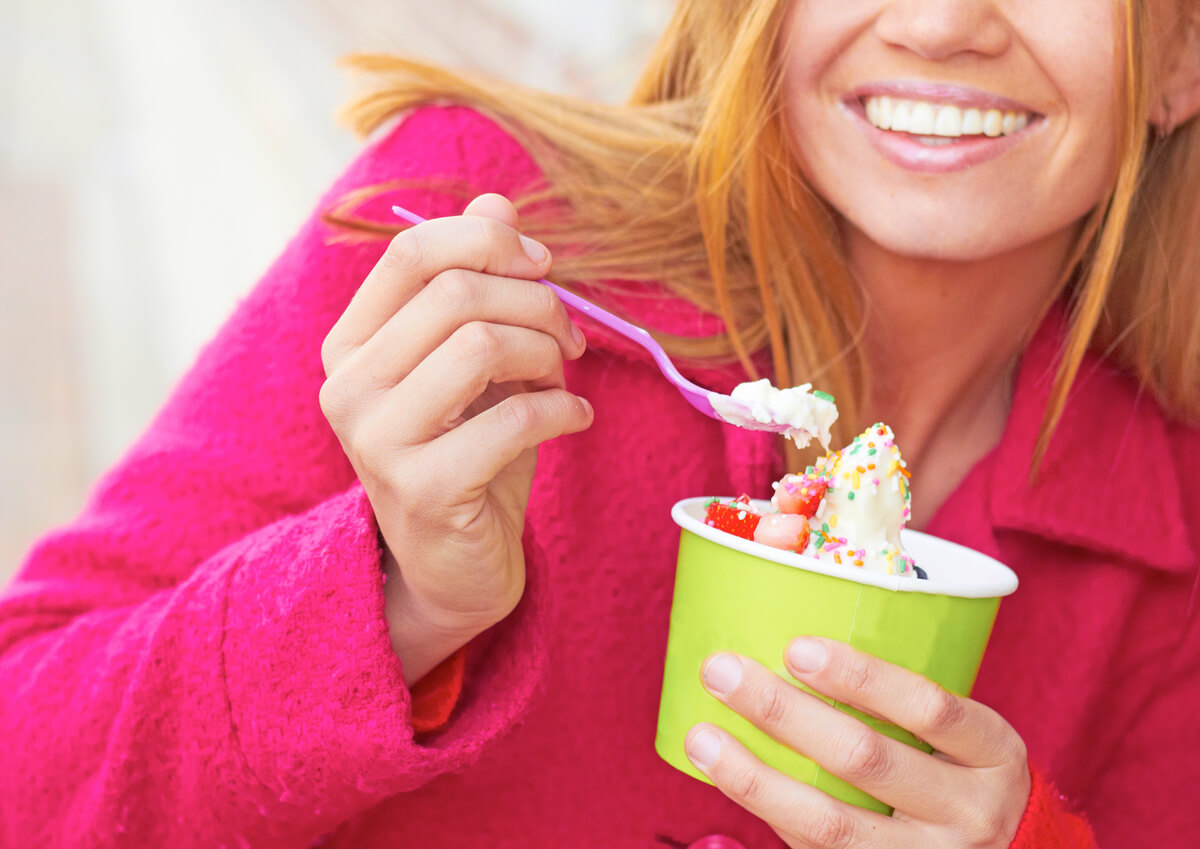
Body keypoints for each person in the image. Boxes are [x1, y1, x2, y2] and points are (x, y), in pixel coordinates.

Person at [3, 0, 1199, 846]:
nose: (940, 22)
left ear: (1180, 55)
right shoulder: (478, 234)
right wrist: (395, 600)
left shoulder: (1172, 534)